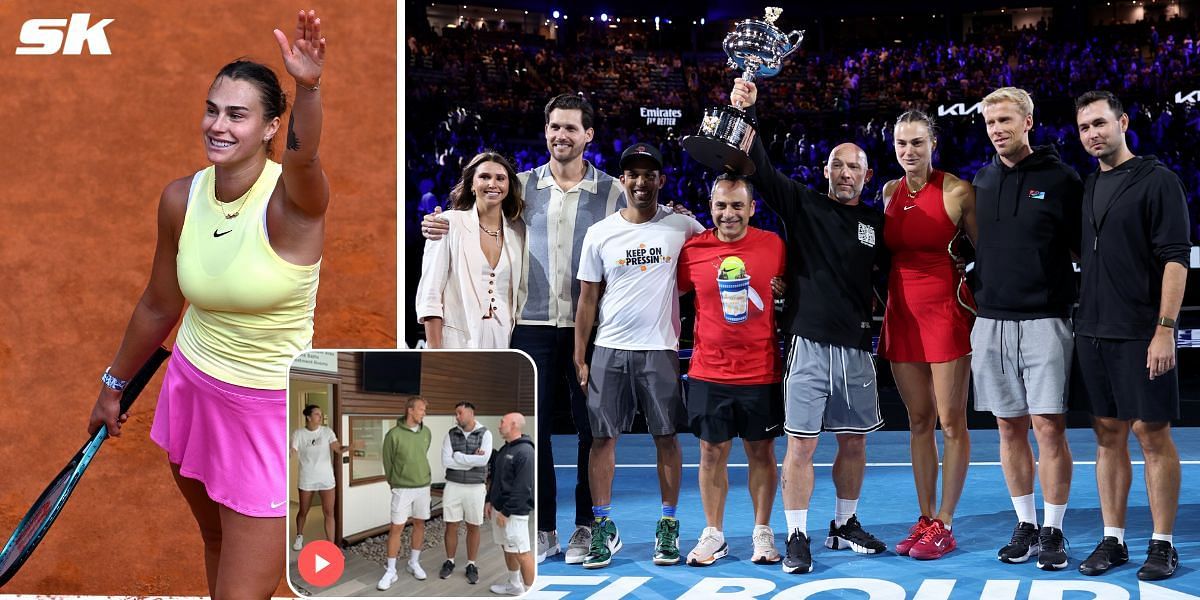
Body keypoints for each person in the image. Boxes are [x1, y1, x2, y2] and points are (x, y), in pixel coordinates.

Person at [86, 11, 328, 597]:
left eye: (238, 115)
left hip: (269, 415)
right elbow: (158, 303)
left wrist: (309, 88)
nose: (218, 126)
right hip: (193, 391)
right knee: (216, 543)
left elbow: (304, 159)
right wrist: (113, 383)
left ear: (273, 126)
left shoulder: (293, 205)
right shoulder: (180, 198)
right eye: (213, 109)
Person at [424, 93, 625, 564]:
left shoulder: (613, 191)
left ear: (588, 135)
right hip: (530, 326)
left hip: (586, 330)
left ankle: (584, 527)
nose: (561, 135)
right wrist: (442, 224)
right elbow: (482, 220)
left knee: (591, 430)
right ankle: (545, 528)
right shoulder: (522, 185)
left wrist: (676, 213)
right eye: (554, 126)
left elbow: (639, 226)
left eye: (571, 128)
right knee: (535, 434)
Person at [731, 78, 890, 575]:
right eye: (838, 165)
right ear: (826, 170)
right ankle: (797, 533)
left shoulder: (875, 224)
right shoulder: (802, 203)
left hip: (857, 347)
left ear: (867, 176)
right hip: (808, 343)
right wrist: (749, 113)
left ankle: (844, 525)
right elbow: (759, 165)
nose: (846, 174)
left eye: (855, 167)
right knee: (801, 444)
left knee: (855, 440)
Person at [1072, 90, 1189, 581]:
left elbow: (1175, 260)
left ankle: (1162, 544)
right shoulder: (1088, 185)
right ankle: (1113, 539)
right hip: (1093, 331)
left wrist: (1164, 330)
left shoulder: (1157, 180)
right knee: (1107, 436)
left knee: (1152, 434)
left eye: (1100, 123)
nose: (1092, 134)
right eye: (1083, 128)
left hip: (1141, 332)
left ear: (1122, 123)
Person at [574, 143, 705, 569]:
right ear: (623, 180)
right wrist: (581, 356)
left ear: (661, 180)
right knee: (602, 440)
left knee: (666, 438)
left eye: (649, 174)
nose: (641, 181)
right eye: (633, 174)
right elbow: (587, 299)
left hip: (661, 349)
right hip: (609, 349)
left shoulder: (683, 225)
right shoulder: (601, 232)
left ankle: (668, 525)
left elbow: (717, 251)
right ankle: (603, 527)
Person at [972, 87, 1082, 570]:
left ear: (1028, 121)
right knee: (1008, 428)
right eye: (990, 122)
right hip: (991, 322)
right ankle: (1026, 524)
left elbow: (1084, 251)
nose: (997, 129)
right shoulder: (982, 180)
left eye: (1005, 120)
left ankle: (1054, 530)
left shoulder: (1062, 179)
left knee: (1048, 429)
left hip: (1045, 321)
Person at [879, 109, 978, 560]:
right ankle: (925, 519)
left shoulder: (957, 191)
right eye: (902, 144)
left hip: (945, 312)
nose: (909, 151)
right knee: (919, 421)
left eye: (917, 143)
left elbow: (985, 254)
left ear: (932, 143)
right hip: (901, 315)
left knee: (951, 422)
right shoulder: (887, 192)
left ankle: (947, 521)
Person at [676, 173, 786, 566]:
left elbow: (792, 288)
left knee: (762, 453)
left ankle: (762, 532)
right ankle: (714, 534)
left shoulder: (773, 246)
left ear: (752, 208)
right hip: (709, 371)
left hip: (761, 371)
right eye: (721, 205)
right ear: (710, 207)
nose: (729, 214)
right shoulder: (691, 252)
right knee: (710, 454)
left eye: (737, 205)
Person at [415, 152, 526, 348]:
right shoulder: (449, 223)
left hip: (503, 341)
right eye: (484, 177)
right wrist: (434, 352)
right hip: (456, 341)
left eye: (500, 178)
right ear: (472, 185)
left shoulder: (518, 232)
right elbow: (430, 294)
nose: (493, 184)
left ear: (508, 186)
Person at [378, 397, 433, 589]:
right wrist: (394, 483)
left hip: (423, 487)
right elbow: (388, 462)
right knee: (396, 528)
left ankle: (413, 563)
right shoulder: (393, 435)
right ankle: (391, 571)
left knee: (419, 523)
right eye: (421, 409)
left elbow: (422, 453)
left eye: (425, 410)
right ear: (410, 410)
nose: (424, 413)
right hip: (402, 488)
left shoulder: (426, 432)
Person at [290, 404, 361, 550]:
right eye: (317, 414)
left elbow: (338, 449)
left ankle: (331, 545)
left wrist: (350, 447)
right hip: (307, 479)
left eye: (320, 414)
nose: (320, 417)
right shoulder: (299, 433)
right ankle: (299, 536)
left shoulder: (327, 432)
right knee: (303, 511)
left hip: (326, 479)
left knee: (329, 513)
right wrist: (289, 452)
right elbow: (293, 449)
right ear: (309, 417)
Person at [439, 401, 493, 584]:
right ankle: (450, 561)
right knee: (451, 525)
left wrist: (459, 456)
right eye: (456, 413)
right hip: (453, 485)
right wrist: (472, 459)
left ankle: (471, 564)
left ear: (471, 413)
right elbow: (446, 462)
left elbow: (483, 460)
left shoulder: (485, 433)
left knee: (473, 525)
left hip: (476, 486)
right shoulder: (450, 435)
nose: (457, 417)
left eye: (460, 413)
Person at [486, 412, 535, 596]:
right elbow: (496, 479)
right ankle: (514, 585)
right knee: (507, 547)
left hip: (514, 514)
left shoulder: (525, 452)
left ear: (513, 425)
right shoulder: (505, 449)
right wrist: (489, 500)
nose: (499, 425)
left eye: (502, 422)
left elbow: (524, 488)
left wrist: (506, 513)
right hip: (500, 510)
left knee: (522, 552)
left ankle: (531, 591)